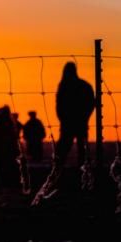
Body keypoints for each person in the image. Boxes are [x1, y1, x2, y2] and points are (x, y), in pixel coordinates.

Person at [32, 62, 95, 203]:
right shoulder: (84, 85)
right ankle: (80, 169)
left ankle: (59, 169)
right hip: (77, 121)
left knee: (66, 146)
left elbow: (59, 104)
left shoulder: (65, 86)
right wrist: (83, 116)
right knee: (79, 147)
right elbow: (91, 102)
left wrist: (65, 118)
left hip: (69, 122)